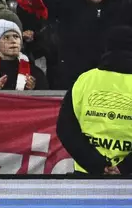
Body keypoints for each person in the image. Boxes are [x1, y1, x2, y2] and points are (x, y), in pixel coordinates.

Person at [56, 25, 132, 176]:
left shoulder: (85, 80)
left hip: (87, 176)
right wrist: (124, 168)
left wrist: (97, 164)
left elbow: (65, 129)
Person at [0, 19, 48, 90]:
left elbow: (46, 99)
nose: (13, 41)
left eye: (16, 36)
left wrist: (34, 89)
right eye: (6, 38)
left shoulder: (35, 73)